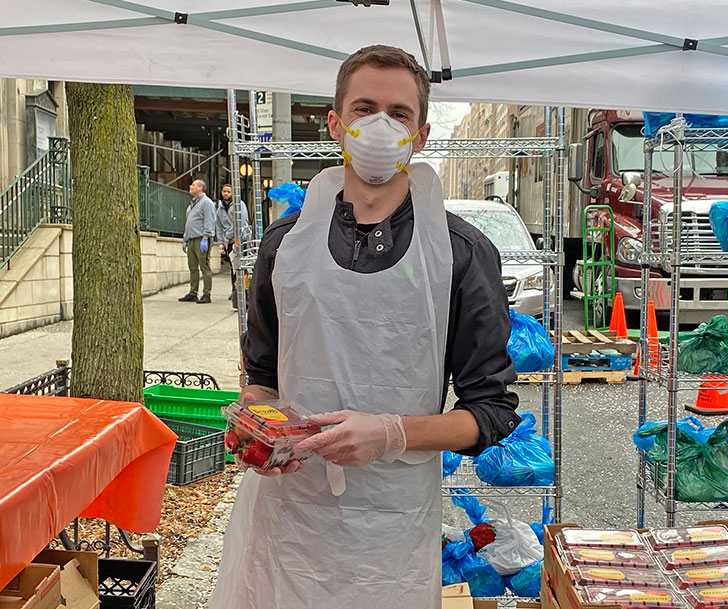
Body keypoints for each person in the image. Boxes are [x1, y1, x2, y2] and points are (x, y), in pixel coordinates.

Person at [210, 45, 520, 609]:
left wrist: (392, 433)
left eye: (398, 114)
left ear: (421, 134)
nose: (380, 125)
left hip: (390, 535)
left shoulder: (460, 254)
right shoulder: (286, 245)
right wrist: (255, 425)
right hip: (289, 524)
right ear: (335, 124)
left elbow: (490, 413)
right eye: (364, 108)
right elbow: (261, 375)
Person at [180, 179, 217, 304]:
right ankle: (193, 292)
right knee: (192, 267)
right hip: (191, 239)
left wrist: (206, 237)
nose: (190, 186)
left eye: (193, 185)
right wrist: (185, 239)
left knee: (204, 266)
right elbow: (189, 223)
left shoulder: (207, 203)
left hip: (202, 238)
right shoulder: (192, 204)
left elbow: (209, 220)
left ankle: (207, 293)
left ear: (200, 188)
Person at [216, 184, 250, 308]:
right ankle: (234, 291)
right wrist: (220, 242)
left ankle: (244, 291)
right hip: (229, 243)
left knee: (243, 267)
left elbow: (239, 223)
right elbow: (218, 226)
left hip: (241, 240)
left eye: (228, 191)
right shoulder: (220, 209)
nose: (226, 194)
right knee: (233, 268)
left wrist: (227, 237)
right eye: (224, 191)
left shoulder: (239, 205)